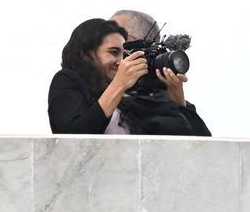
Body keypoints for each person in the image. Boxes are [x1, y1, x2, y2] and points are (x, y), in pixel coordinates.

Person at [48, 18, 211, 135]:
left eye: (124, 53)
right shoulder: (67, 81)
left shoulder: (142, 91)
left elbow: (203, 147)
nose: (121, 62)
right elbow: (75, 138)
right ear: (86, 54)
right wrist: (119, 85)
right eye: (114, 52)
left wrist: (179, 103)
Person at [109, 8, 206, 128]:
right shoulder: (99, 93)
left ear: (130, 41)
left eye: (110, 34)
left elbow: (199, 139)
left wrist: (179, 104)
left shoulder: (172, 103)